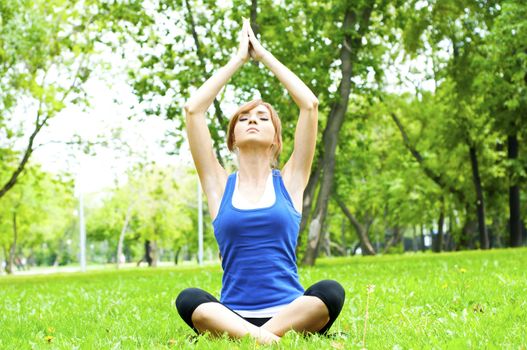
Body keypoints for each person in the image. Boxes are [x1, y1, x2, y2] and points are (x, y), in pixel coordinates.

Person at [175, 18, 345, 344]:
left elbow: (309, 105)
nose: (253, 119)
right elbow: (193, 110)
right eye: (244, 118)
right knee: (189, 299)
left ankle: (256, 338)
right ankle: (267, 339)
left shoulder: (291, 181)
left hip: (291, 310)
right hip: (233, 313)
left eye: (262, 117)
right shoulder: (218, 185)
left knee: (330, 292)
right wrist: (238, 59)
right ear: (233, 138)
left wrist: (263, 55)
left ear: (276, 140)